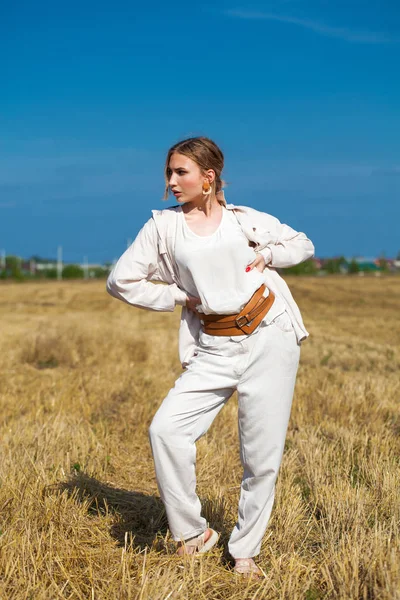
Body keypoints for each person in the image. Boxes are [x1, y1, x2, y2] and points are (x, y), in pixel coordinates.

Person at [106, 136, 314, 578]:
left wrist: (270, 255)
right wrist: (178, 297)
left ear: (208, 176)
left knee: (261, 456)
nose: (171, 181)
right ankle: (194, 534)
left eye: (180, 172)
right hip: (214, 347)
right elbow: (121, 280)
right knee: (165, 430)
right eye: (169, 172)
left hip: (269, 335)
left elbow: (303, 244)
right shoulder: (163, 226)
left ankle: (245, 551)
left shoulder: (245, 221)